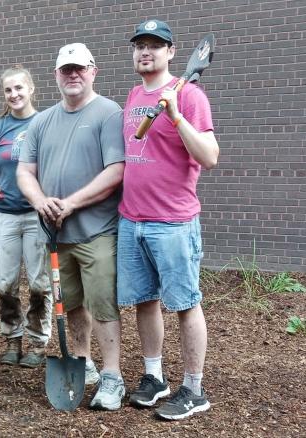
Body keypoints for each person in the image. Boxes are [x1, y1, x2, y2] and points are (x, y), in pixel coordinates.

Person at [119, 19, 219, 420]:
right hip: (132, 219)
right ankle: (154, 377)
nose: (146, 52)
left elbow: (209, 157)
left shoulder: (190, 95)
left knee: (185, 303)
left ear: (171, 52)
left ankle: (194, 389)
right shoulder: (132, 94)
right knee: (146, 302)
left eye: (155, 46)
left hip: (173, 222)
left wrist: (177, 117)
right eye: (140, 45)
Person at [17, 44, 126, 410]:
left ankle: (113, 376)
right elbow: (24, 171)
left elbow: (116, 171)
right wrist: (39, 201)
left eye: (80, 68)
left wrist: (71, 203)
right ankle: (83, 363)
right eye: (66, 70)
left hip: (97, 231)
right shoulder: (42, 120)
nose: (73, 75)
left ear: (93, 71)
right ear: (56, 76)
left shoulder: (108, 113)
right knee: (72, 303)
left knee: (103, 303)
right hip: (56, 234)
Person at [0, 65, 52, 368]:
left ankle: (37, 342)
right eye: (8, 90)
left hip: (37, 215)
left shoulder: (46, 123)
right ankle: (12, 337)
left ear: (31, 89)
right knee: (4, 282)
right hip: (3, 216)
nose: (14, 94)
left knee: (39, 282)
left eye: (19, 88)